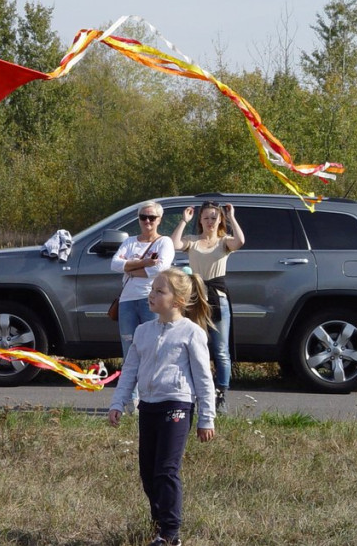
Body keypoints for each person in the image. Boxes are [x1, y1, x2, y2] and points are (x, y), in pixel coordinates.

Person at [108, 268, 216, 546]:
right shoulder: (143, 331)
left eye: (159, 291)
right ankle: (158, 521)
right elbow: (129, 371)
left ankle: (170, 533)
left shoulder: (191, 333)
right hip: (149, 406)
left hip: (177, 404)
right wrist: (118, 402)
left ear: (177, 301)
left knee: (166, 470)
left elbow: (204, 378)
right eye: (152, 289)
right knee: (148, 470)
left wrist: (207, 418)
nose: (151, 294)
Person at [170, 201, 244, 414]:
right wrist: (184, 220)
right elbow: (174, 244)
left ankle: (221, 393)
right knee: (196, 346)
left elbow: (240, 241)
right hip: (197, 297)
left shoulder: (224, 241)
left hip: (217, 297)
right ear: (200, 220)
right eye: (206, 218)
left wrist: (232, 217)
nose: (210, 222)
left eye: (214, 217)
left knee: (221, 350)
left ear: (219, 219)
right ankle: (198, 391)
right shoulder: (193, 241)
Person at [110, 201, 175, 412]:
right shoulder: (129, 242)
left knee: (153, 348)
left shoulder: (164, 242)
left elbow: (161, 268)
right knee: (129, 350)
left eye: (152, 218)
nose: (147, 221)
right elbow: (114, 264)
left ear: (159, 220)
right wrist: (144, 263)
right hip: (127, 301)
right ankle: (130, 401)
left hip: (151, 301)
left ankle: (153, 397)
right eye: (143, 217)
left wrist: (131, 267)